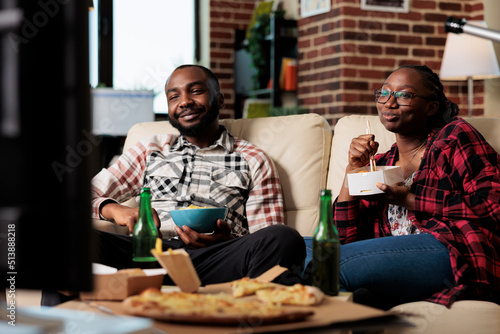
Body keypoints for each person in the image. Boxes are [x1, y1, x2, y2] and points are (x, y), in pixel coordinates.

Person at [41, 64, 305, 306]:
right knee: (62, 239)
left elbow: (267, 233)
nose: (185, 102)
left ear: (220, 99)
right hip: (147, 256)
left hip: (214, 259)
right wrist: (115, 210)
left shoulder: (252, 158)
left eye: (196, 91)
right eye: (174, 96)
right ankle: (56, 326)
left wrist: (229, 239)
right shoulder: (152, 149)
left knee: (283, 238)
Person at [333, 65, 500, 309]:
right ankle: (368, 301)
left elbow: (493, 205)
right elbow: (342, 239)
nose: (389, 103)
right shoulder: (381, 163)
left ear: (431, 107)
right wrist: (352, 170)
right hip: (398, 260)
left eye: (404, 95)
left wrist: (410, 199)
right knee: (298, 249)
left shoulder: (453, 137)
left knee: (331, 265)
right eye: (384, 93)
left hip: (451, 251)